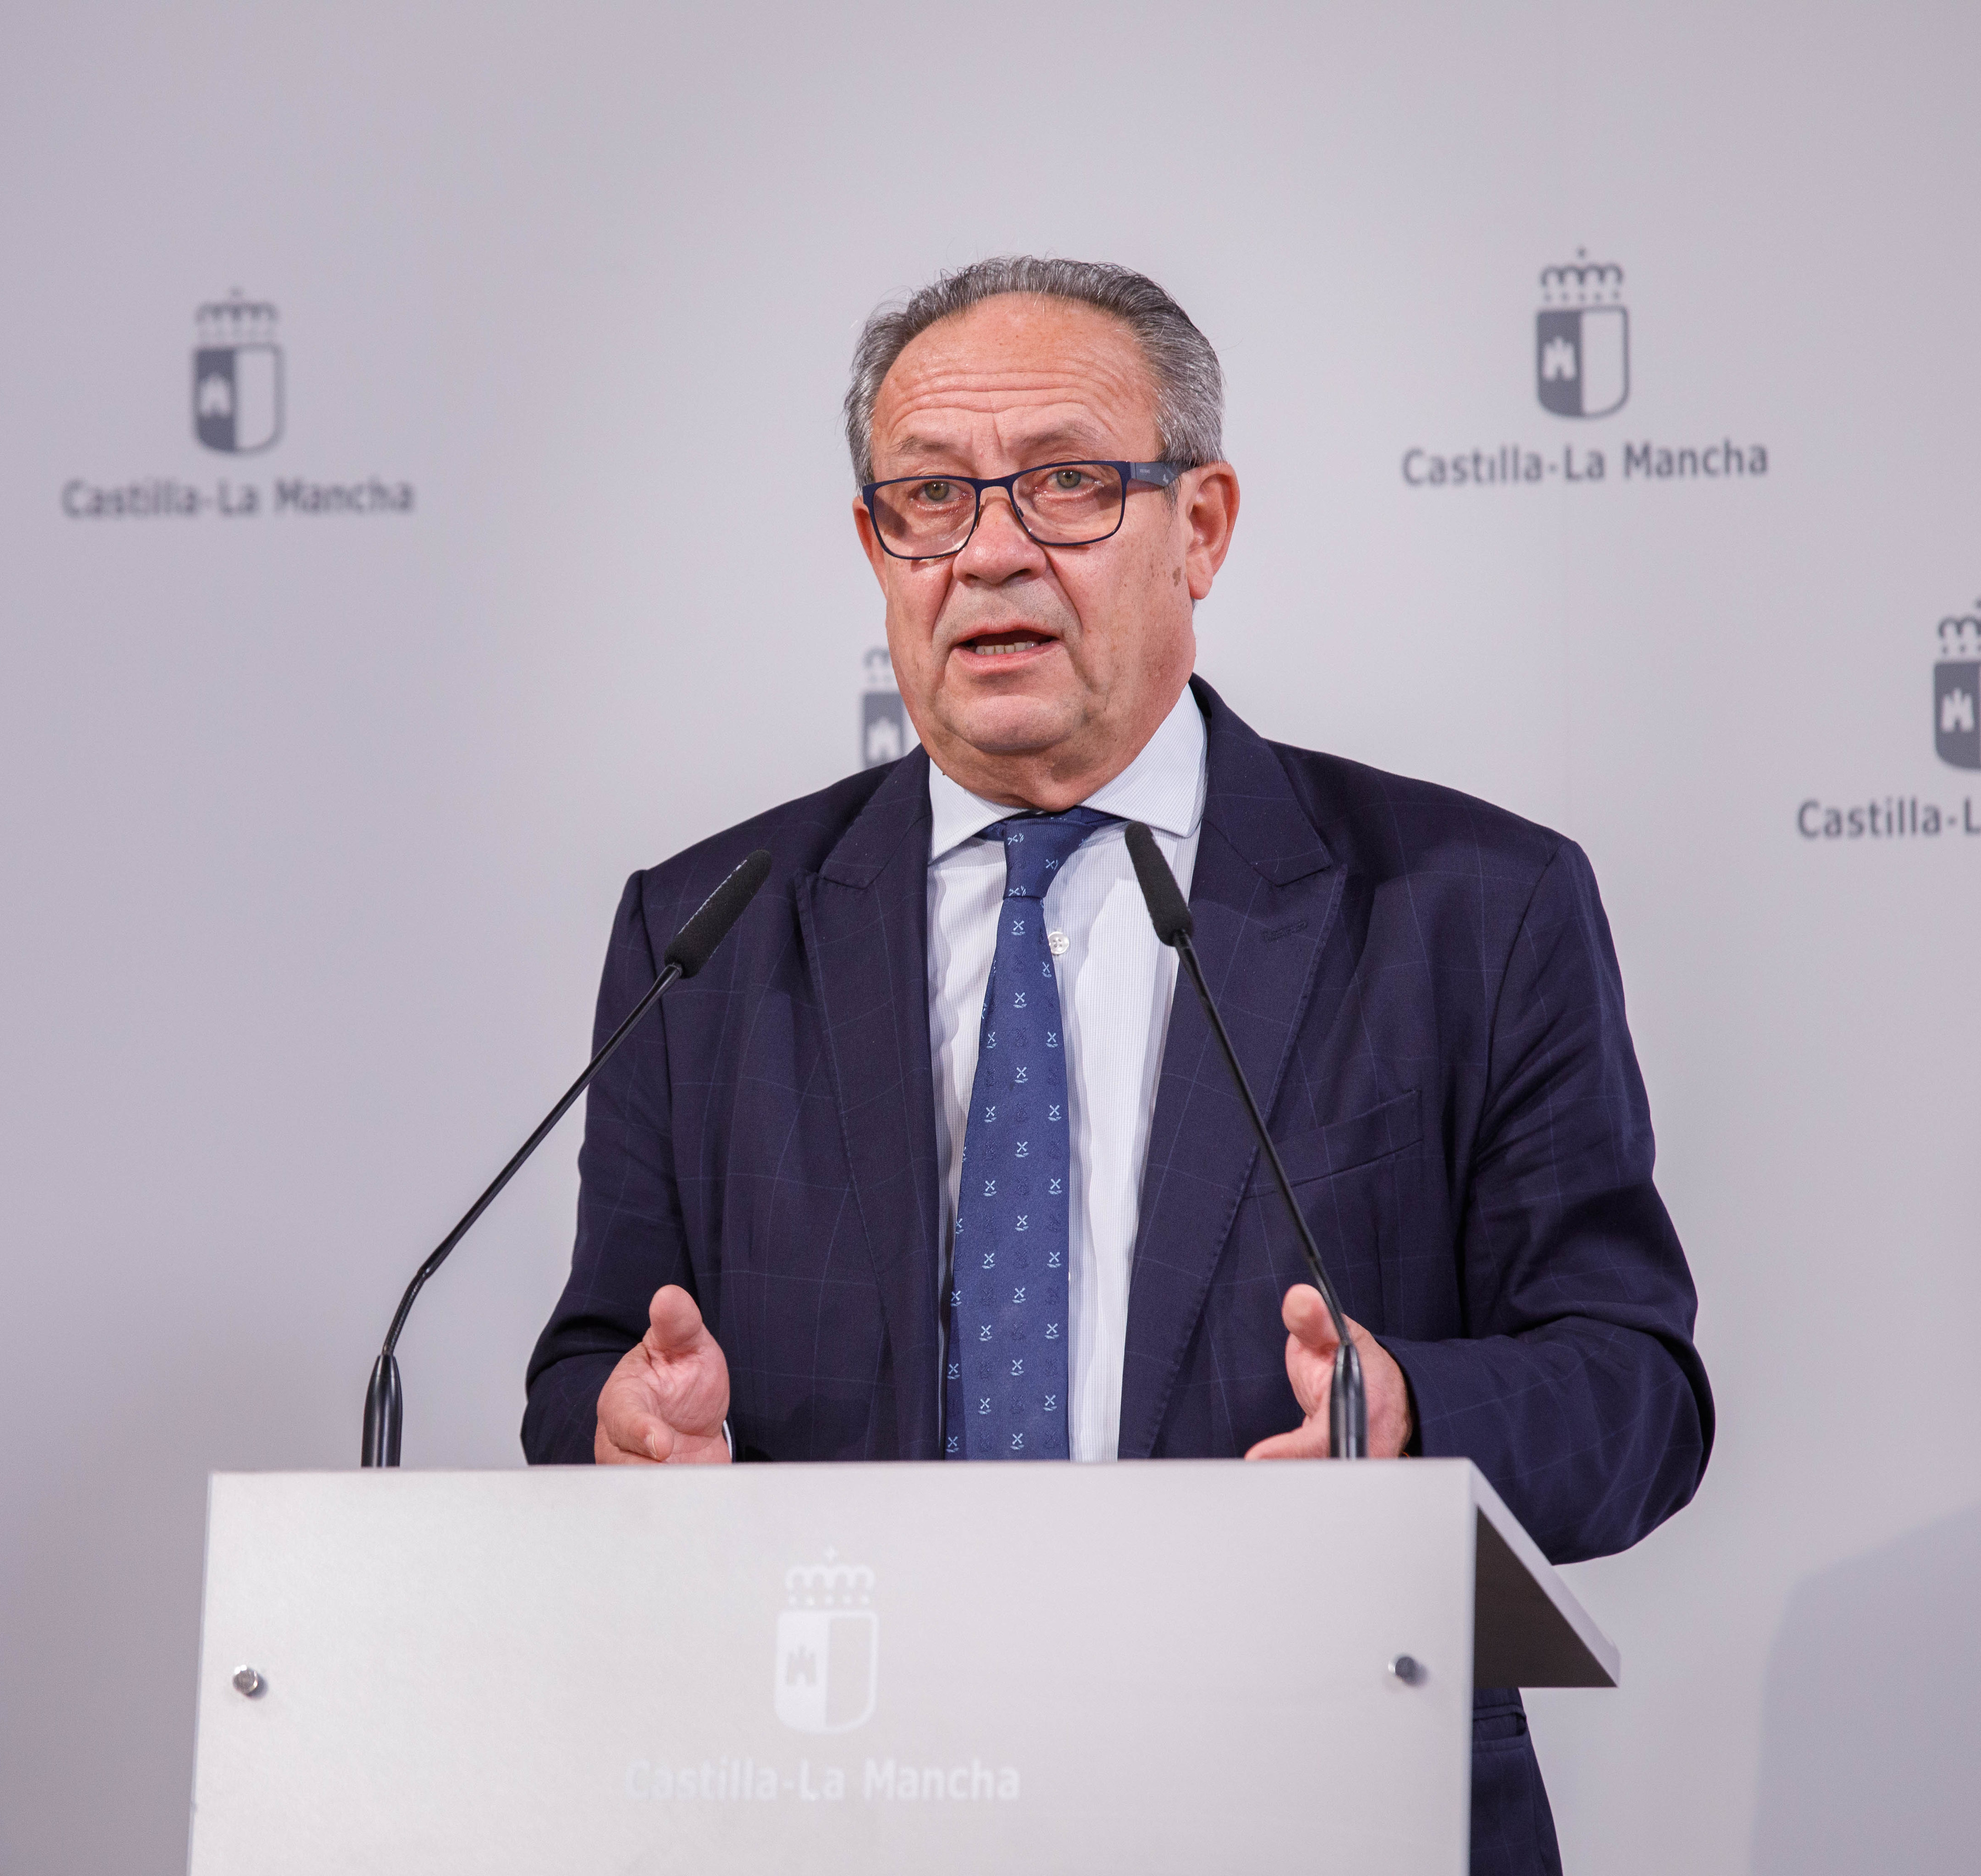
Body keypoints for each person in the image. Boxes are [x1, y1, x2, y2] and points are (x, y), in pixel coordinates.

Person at [521, 256, 1713, 1874]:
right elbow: (592, 1371)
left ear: (1201, 527)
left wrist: (1411, 1416)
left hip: (1317, 1808)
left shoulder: (1469, 910)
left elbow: (1636, 1391)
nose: (990, 549)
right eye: (931, 498)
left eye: (1067, 484)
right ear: (877, 550)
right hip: (850, 1803)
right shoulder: (709, 930)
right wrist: (628, 1435)